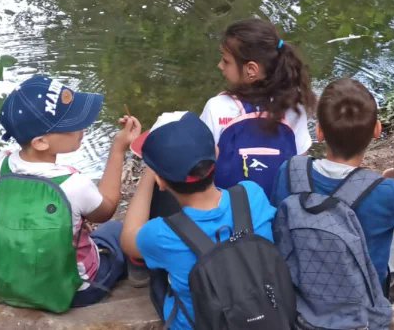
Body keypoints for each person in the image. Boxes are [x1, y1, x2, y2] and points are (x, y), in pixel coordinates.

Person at [271, 78, 394, 290]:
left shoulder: (289, 170)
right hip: (357, 295)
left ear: (319, 131)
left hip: (297, 284)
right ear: (377, 130)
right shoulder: (383, 193)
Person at [0, 75, 140, 311]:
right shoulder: (71, 183)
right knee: (116, 231)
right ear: (40, 142)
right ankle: (139, 275)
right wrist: (118, 148)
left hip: (10, 284)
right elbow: (106, 209)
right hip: (74, 292)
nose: (83, 127)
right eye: (72, 123)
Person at [120, 111, 282, 330]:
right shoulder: (252, 194)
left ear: (161, 180)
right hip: (263, 316)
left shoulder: (162, 234)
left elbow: (128, 238)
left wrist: (150, 172)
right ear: (216, 153)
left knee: (159, 275)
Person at [198, 18, 315, 196]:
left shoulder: (217, 107)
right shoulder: (294, 107)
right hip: (279, 208)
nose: (220, 65)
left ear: (251, 70)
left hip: (229, 208)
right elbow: (299, 167)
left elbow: (201, 167)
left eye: (226, 61)